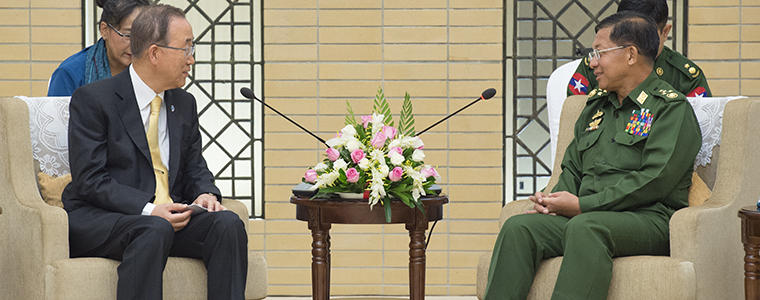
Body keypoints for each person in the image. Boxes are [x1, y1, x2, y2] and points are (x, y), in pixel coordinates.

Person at [485, 11, 701, 299]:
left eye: (599, 52)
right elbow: (572, 167)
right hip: (588, 213)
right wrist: (554, 201)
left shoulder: (670, 108)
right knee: (519, 227)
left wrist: (583, 205)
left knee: (588, 226)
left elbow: (654, 180)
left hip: (647, 218)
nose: (592, 62)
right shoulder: (596, 106)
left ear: (630, 54)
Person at [62, 4, 247, 300]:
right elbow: (90, 180)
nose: (192, 59)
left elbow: (195, 167)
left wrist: (205, 194)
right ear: (155, 53)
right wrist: (150, 209)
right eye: (186, 49)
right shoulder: (93, 100)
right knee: (154, 228)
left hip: (163, 218)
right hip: (105, 218)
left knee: (226, 224)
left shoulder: (184, 103)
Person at [568, 0, 712, 98]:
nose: (635, 46)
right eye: (628, 35)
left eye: (646, 36)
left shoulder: (686, 78)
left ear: (665, 32)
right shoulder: (595, 66)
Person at [48, 0, 149, 96]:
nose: (136, 44)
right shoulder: (70, 73)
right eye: (128, 35)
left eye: (143, 35)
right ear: (104, 30)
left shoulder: (155, 68)